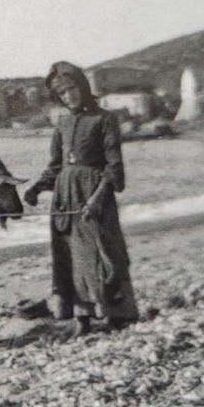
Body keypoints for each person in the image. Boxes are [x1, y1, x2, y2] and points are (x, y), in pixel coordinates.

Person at [23, 62, 139, 337]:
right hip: (66, 198)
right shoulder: (62, 123)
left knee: (104, 252)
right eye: (62, 93)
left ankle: (117, 314)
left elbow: (113, 167)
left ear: (83, 87)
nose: (69, 96)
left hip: (95, 193)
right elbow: (55, 165)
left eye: (72, 88)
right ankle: (83, 317)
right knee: (71, 256)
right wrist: (37, 188)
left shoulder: (105, 119)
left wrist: (97, 200)